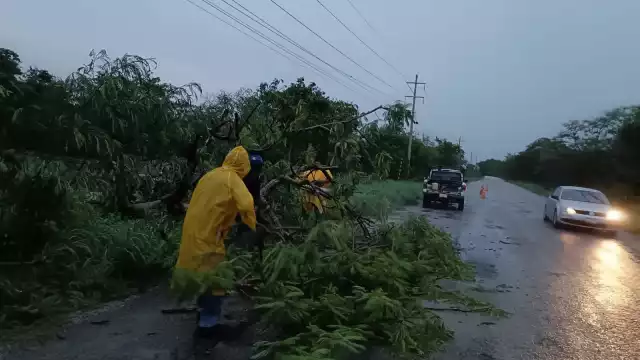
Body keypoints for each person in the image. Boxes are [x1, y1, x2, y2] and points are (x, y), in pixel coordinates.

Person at [171, 146, 256, 339]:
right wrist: (251, 223)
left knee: (201, 277)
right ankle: (209, 326)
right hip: (209, 237)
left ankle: (203, 316)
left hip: (193, 233)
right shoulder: (232, 178)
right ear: (244, 166)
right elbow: (246, 203)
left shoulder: (209, 176)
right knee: (216, 280)